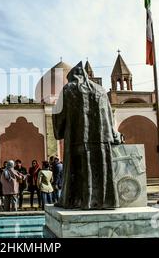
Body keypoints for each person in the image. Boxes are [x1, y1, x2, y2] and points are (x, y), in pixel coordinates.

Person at [53, 61, 121, 209]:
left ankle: (77, 201)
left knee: (79, 172)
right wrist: (111, 133)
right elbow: (109, 115)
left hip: (78, 140)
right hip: (102, 140)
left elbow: (60, 115)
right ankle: (105, 201)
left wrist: (58, 129)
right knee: (101, 171)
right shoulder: (101, 90)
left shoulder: (69, 89)